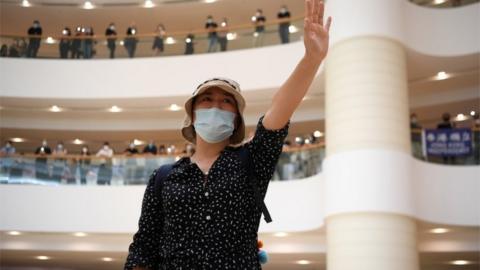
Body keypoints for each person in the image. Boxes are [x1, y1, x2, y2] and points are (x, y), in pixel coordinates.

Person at [124, 0, 332, 268]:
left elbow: (279, 110)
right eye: (207, 99)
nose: (216, 105)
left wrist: (311, 59)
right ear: (193, 114)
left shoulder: (252, 160)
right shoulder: (164, 177)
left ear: (236, 118)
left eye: (226, 101)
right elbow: (143, 249)